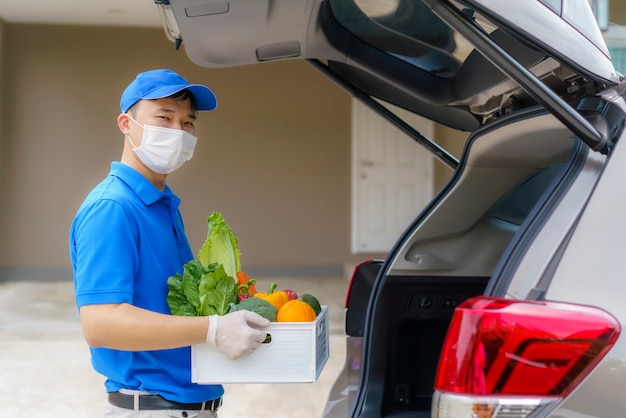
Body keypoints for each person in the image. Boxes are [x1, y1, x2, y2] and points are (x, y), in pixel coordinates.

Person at [69, 68, 270, 418]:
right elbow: (101, 324)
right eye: (163, 117)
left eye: (188, 123)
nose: (178, 131)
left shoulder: (161, 203)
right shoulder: (112, 208)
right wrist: (212, 330)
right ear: (126, 124)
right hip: (152, 408)